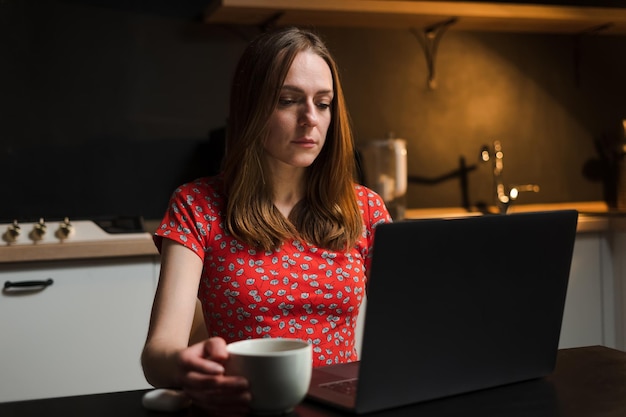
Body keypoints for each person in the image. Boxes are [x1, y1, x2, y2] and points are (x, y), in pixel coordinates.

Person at [141, 26, 391, 415]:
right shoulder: (197, 206)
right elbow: (158, 355)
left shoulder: (366, 209)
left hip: (339, 408)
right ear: (251, 109)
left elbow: (404, 337)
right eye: (289, 100)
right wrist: (188, 368)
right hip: (244, 407)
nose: (311, 118)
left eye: (323, 103)